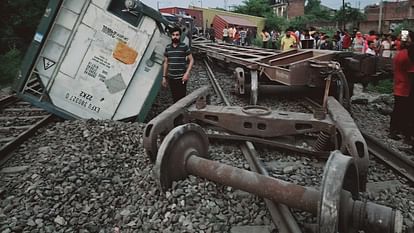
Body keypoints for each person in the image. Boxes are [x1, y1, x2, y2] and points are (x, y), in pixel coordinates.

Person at [389, 30, 414, 151]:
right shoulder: (407, 55)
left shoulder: (400, 52)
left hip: (399, 85)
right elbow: (411, 74)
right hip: (406, 87)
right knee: (405, 112)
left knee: (398, 110)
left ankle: (394, 130)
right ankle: (405, 134)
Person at [162, 27, 194, 103]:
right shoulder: (168, 47)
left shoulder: (184, 46)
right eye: (173, 35)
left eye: (177, 35)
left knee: (182, 99)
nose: (175, 37)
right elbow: (166, 62)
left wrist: (187, 73)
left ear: (180, 36)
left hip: (181, 78)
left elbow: (192, 60)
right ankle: (177, 114)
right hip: (171, 78)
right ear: (171, 36)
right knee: (174, 98)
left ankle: (181, 114)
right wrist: (164, 77)